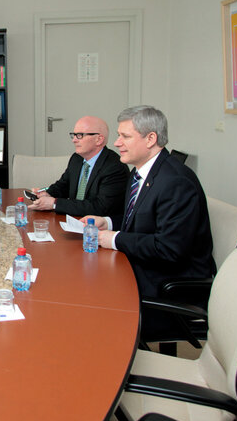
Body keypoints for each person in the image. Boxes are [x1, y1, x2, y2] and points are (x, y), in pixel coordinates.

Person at [83, 105, 215, 340]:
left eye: (125, 136)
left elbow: (168, 249)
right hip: (148, 267)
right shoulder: (141, 172)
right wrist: (107, 222)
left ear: (151, 139)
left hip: (171, 285)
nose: (116, 143)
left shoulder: (175, 181)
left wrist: (113, 239)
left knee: (90, 299)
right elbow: (142, 219)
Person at [28, 116, 129, 217]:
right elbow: (63, 185)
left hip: (97, 227)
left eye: (80, 135)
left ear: (99, 139)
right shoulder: (77, 158)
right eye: (74, 135)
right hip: (74, 219)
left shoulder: (115, 167)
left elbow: (100, 208)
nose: (74, 140)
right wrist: (48, 194)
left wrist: (54, 203)